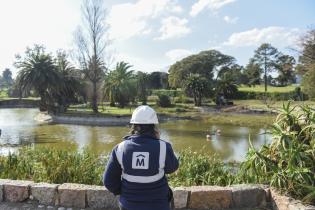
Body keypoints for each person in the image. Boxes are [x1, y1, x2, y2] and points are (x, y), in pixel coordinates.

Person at [103, 105, 179, 210]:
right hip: (158, 205)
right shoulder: (163, 147)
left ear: (134, 126)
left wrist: (123, 192)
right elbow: (172, 168)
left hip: (128, 205)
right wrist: (157, 141)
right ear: (154, 126)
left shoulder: (120, 148)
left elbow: (108, 181)